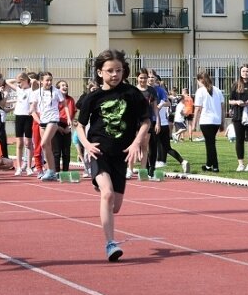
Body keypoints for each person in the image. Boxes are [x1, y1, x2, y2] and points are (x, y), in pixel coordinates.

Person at [75, 49, 150, 262]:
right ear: (100, 72)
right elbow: (79, 125)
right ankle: (110, 244)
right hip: (99, 151)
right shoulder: (93, 97)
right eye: (110, 71)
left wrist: (136, 142)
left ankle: (100, 184)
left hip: (121, 155)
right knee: (106, 194)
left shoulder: (133, 94)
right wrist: (87, 145)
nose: (115, 74)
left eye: (119, 70)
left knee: (115, 207)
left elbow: (146, 121)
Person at [147, 72, 189, 175]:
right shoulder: (144, 90)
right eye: (149, 77)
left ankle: (150, 169)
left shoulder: (159, 90)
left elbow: (168, 102)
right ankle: (182, 161)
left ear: (156, 79)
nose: (150, 78)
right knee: (158, 147)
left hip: (159, 122)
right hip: (153, 121)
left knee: (155, 147)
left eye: (153, 77)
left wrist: (160, 105)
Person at [30, 71, 65, 181]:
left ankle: (50, 171)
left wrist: (63, 116)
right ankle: (52, 171)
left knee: (44, 143)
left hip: (53, 120)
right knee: (47, 147)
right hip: (43, 121)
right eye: (47, 80)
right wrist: (39, 121)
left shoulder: (56, 91)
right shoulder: (36, 93)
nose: (49, 82)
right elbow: (32, 110)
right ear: (41, 81)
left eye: (51, 80)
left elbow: (64, 104)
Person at [4, 72, 34, 176]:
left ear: (25, 80)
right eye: (18, 82)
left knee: (28, 143)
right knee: (19, 143)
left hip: (28, 117)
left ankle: (29, 167)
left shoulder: (31, 89)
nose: (18, 84)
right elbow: (7, 81)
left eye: (20, 82)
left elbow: (36, 82)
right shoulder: (18, 89)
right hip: (19, 116)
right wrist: (16, 79)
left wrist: (29, 79)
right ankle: (19, 167)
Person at [194, 71, 224, 172]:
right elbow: (222, 107)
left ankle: (215, 166)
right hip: (216, 121)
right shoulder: (218, 90)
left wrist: (194, 124)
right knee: (210, 143)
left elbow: (197, 109)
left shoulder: (200, 91)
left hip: (206, 120)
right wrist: (222, 122)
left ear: (200, 80)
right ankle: (208, 165)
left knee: (210, 144)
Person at [52, 79, 76, 172]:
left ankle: (65, 172)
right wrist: (58, 127)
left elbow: (73, 114)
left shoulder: (70, 100)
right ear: (58, 89)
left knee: (66, 152)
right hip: (56, 125)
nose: (65, 87)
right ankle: (56, 172)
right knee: (57, 152)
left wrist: (69, 127)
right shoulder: (55, 100)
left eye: (66, 85)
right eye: (62, 85)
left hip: (67, 126)